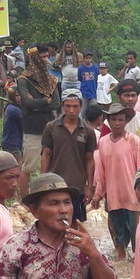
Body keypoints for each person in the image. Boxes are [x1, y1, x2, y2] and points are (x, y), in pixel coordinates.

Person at [94, 103, 140, 260]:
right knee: (118, 233)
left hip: (132, 195)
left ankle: (139, 264)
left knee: (137, 233)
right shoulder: (103, 142)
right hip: (113, 195)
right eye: (114, 119)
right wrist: (98, 194)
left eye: (121, 120)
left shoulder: (133, 141)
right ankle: (121, 260)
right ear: (108, 121)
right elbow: (100, 171)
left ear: (126, 121)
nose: (117, 123)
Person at [41, 89, 97, 222]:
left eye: (75, 106)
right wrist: (42, 183)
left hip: (77, 187)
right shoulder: (51, 128)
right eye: (68, 106)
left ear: (81, 107)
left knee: (76, 224)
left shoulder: (88, 131)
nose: (71, 110)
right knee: (55, 222)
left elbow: (90, 160)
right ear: (62, 106)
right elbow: (46, 155)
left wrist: (89, 187)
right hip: (55, 185)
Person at [16, 46, 61, 199]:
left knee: (49, 165)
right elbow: (27, 103)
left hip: (49, 127)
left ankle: (45, 197)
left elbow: (56, 103)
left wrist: (37, 104)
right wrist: (44, 102)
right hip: (32, 128)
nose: (46, 60)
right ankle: (24, 200)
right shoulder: (23, 79)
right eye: (42, 57)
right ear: (34, 59)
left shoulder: (50, 79)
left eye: (47, 56)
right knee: (28, 166)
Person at [100, 79, 140, 163]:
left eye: (133, 95)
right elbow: (101, 149)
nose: (130, 99)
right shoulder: (109, 123)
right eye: (126, 95)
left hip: (138, 168)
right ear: (118, 97)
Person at [1, 87, 24, 168]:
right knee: (17, 168)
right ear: (12, 97)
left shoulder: (11, 107)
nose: (20, 98)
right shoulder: (13, 110)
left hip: (12, 142)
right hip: (12, 143)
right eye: (17, 96)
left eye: (21, 95)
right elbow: (25, 122)